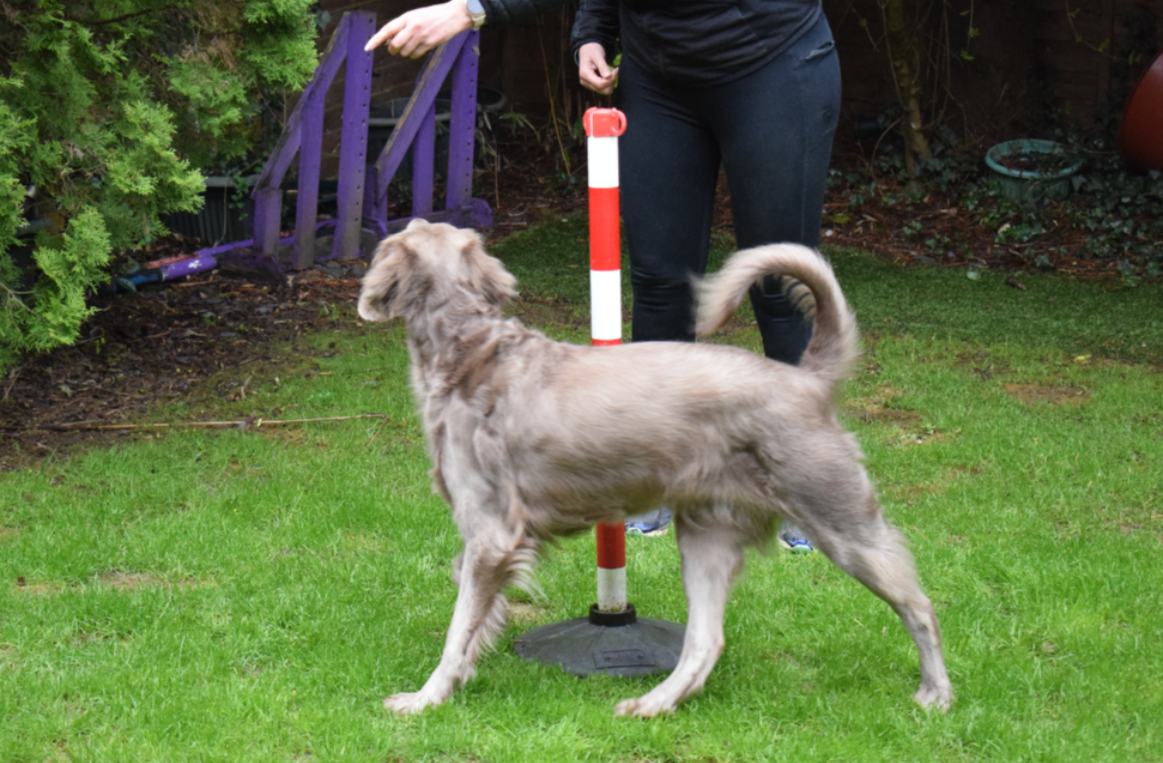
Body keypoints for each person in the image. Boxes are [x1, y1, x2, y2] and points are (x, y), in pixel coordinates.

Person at [367, 0, 840, 553]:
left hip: (773, 64)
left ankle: (802, 477)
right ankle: (664, 468)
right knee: (662, 281)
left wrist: (471, 9)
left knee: (779, 286)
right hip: (661, 79)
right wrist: (592, 32)